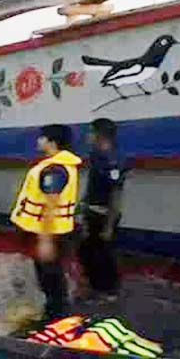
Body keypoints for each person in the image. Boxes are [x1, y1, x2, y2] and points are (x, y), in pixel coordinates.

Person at [10, 124, 82, 320]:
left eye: (41, 138)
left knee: (51, 278)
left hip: (52, 233)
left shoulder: (55, 170)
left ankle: (56, 318)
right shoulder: (55, 165)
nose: (38, 141)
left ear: (51, 142)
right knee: (48, 276)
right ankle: (55, 313)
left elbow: (51, 203)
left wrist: (45, 239)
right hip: (52, 231)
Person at [79, 118, 125, 301]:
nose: (87, 136)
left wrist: (109, 226)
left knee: (103, 255)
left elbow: (115, 193)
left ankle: (109, 292)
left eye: (91, 132)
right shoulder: (95, 156)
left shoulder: (113, 160)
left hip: (104, 215)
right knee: (86, 252)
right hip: (92, 212)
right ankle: (95, 287)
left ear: (100, 135)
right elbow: (92, 187)